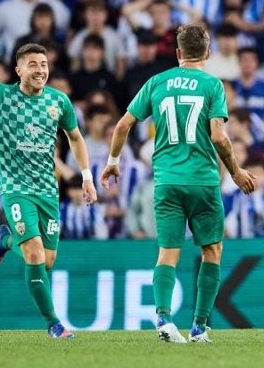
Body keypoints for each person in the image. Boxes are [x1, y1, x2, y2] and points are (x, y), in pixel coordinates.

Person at [100, 25, 255, 343]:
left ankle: (163, 318)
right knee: (212, 250)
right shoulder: (213, 84)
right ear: (208, 53)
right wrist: (236, 171)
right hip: (202, 182)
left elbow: (123, 124)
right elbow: (219, 137)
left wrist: (113, 161)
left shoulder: (157, 81)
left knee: (167, 253)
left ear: (178, 53)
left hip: (167, 182)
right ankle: (199, 327)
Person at [0, 23, 98, 339]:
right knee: (33, 252)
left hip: (48, 190)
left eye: (43, 64)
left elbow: (75, 137)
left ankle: (4, 240)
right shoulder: (1, 96)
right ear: (18, 70)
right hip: (17, 190)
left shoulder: (59, 101)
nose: (40, 70)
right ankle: (54, 325)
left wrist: (86, 177)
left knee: (47, 260)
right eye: (32, 64)